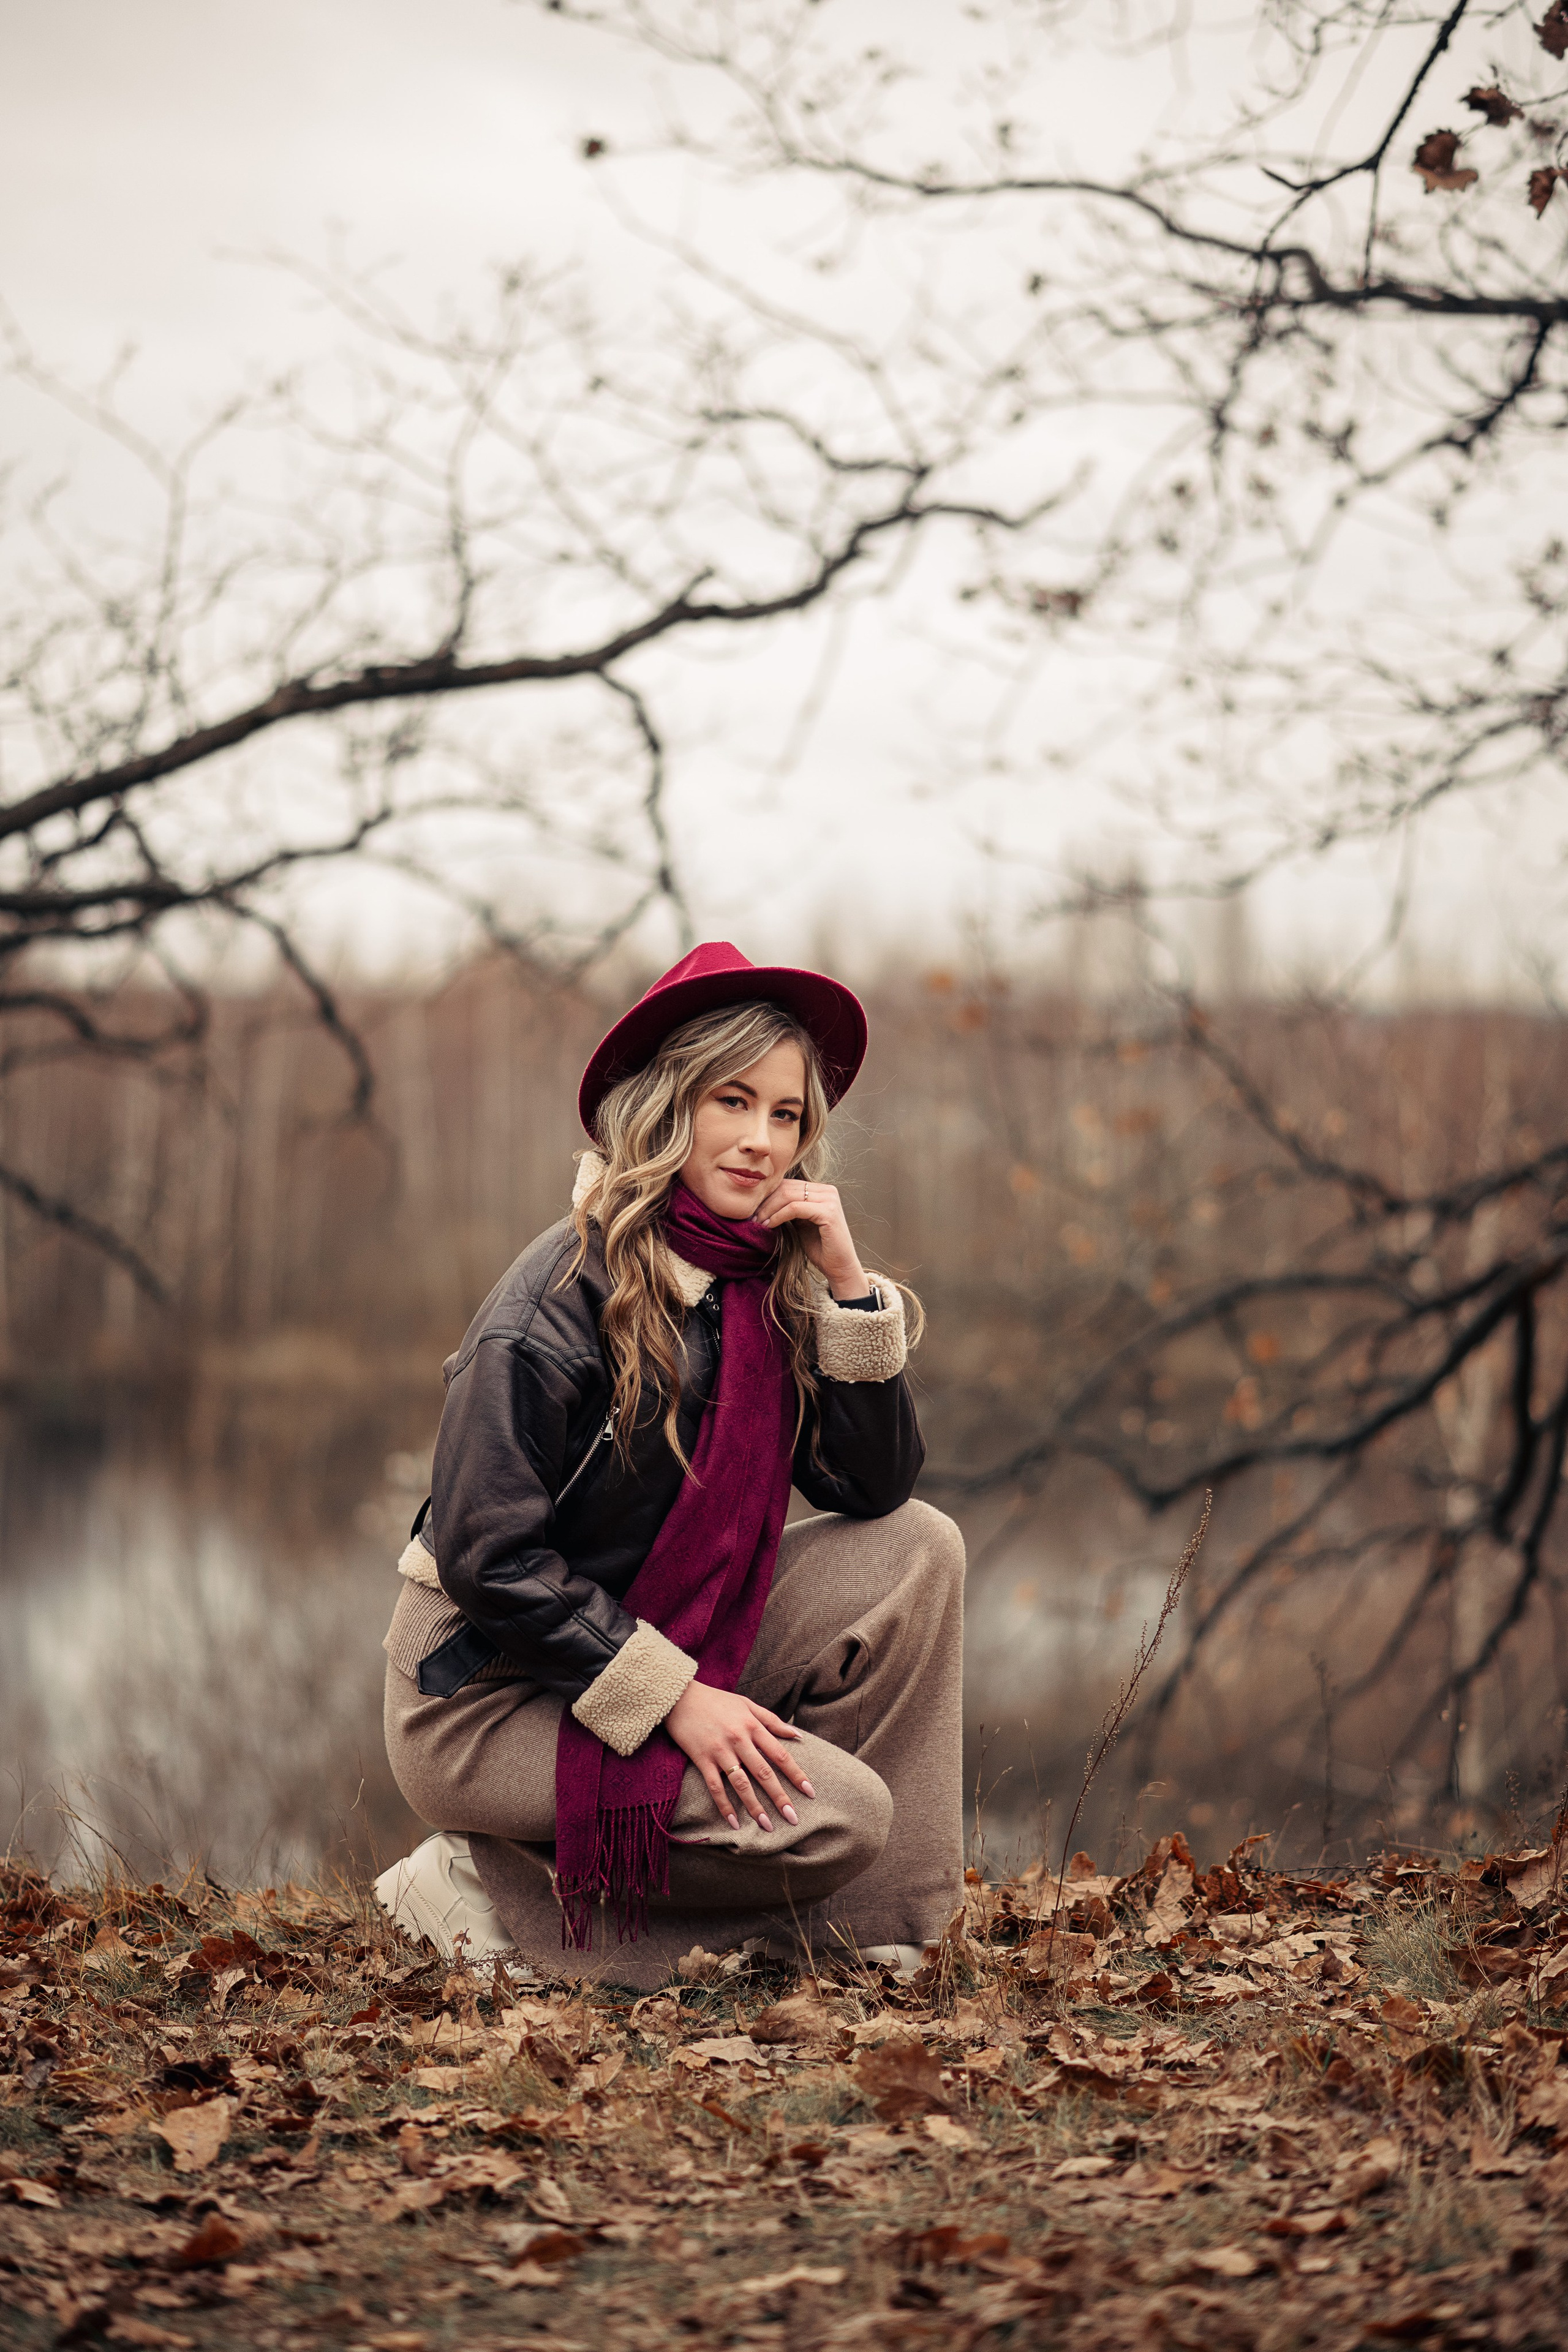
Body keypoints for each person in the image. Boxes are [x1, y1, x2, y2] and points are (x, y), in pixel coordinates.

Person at [373, 941, 965, 1989]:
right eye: (732, 1101)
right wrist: (674, 1697)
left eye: (786, 1114)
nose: (761, 1141)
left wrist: (847, 1286)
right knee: (841, 1817)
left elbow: (872, 1490)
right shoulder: (551, 1303)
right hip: (486, 1695)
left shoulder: (760, 1282)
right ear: (667, 1105)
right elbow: (487, 1556)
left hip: (662, 1627)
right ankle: (480, 1887)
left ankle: (877, 1927)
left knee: (920, 1548)